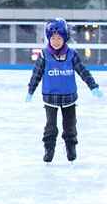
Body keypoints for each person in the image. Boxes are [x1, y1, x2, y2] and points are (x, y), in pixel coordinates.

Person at [26, 18, 102, 162]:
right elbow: (36, 74)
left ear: (65, 37)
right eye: (53, 38)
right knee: (50, 126)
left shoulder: (72, 54)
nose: (56, 41)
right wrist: (31, 90)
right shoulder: (44, 55)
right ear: (49, 38)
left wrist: (93, 86)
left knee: (70, 126)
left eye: (59, 38)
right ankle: (49, 149)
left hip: (69, 98)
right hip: (50, 98)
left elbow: (83, 71)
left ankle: (71, 147)